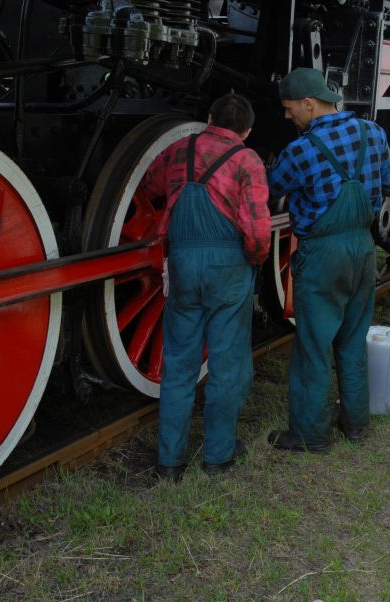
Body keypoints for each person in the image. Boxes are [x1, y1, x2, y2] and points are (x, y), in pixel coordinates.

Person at [140, 93, 271, 481]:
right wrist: (254, 261)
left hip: (182, 263)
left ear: (209, 117)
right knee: (227, 365)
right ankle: (218, 456)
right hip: (228, 266)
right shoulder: (248, 160)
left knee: (179, 365)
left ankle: (170, 463)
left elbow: (149, 187)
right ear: (247, 130)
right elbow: (259, 231)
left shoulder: (181, 148)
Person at [265, 67, 390, 452]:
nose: (288, 117)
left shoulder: (301, 150)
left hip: (323, 254)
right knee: (353, 341)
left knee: (313, 346)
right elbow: (389, 183)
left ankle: (310, 434)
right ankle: (356, 425)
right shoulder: (373, 133)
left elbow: (272, 188)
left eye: (291, 109)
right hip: (362, 248)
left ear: (309, 104)